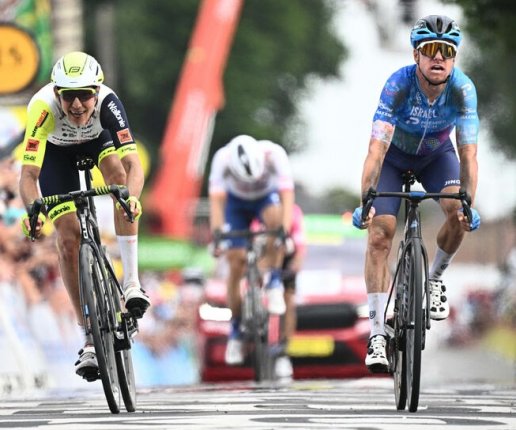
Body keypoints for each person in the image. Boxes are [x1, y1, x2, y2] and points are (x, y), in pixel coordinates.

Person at [352, 15, 481, 373]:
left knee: (457, 212)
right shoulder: (398, 85)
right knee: (381, 234)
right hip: (394, 158)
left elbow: (468, 153)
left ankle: (435, 278)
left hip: (437, 157)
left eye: (446, 51)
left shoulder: (462, 90)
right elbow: (376, 149)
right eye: (430, 49)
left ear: (454, 58)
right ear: (416, 55)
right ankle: (378, 334)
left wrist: (469, 201)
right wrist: (366, 199)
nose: (438, 57)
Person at [18, 51, 151, 381]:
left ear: (97, 92)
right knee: (67, 238)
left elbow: (133, 164)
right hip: (56, 156)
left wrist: (131, 199)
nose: (77, 105)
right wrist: (33, 211)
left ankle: (132, 284)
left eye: (84, 96)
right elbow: (29, 175)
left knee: (120, 182)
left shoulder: (108, 104)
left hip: (97, 142)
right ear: (57, 94)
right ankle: (89, 337)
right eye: (68, 96)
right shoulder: (41, 108)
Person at [209, 134, 294, 366]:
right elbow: (216, 203)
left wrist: (284, 231)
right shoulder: (222, 159)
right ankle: (235, 331)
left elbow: (287, 197)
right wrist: (217, 236)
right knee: (235, 263)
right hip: (235, 204)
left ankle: (274, 280)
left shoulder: (274, 154)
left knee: (276, 222)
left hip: (265, 199)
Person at [251, 203, 307, 379]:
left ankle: (284, 350)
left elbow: (299, 241)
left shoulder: (294, 211)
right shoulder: (257, 206)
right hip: (262, 252)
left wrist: (297, 261)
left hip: (286, 255)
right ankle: (255, 312)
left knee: (288, 300)